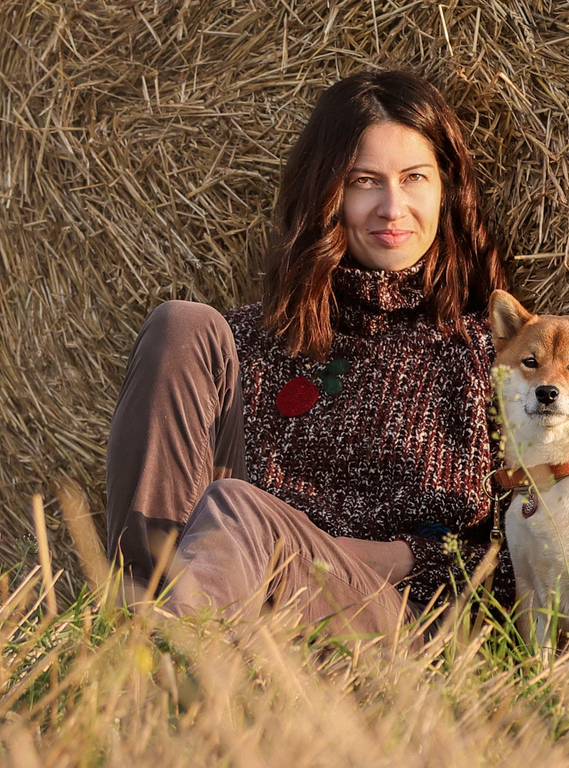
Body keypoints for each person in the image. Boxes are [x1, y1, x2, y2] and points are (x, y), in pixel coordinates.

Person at [102, 69, 510, 634]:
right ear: (328, 193)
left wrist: (381, 557)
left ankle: (165, 646)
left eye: (414, 178)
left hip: (394, 625)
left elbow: (539, 560)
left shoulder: (490, 356)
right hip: (239, 594)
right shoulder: (249, 343)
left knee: (240, 510)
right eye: (364, 181)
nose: (392, 207)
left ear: (447, 189)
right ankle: (146, 626)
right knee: (181, 326)